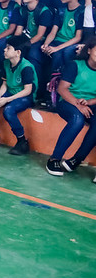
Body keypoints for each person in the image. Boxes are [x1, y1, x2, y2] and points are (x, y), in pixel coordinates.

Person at [45, 37, 96, 177]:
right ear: (90, 50)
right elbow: (62, 89)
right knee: (77, 120)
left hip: (90, 103)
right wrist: (79, 105)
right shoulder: (75, 65)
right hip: (68, 101)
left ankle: (76, 160)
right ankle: (54, 159)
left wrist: (89, 102)